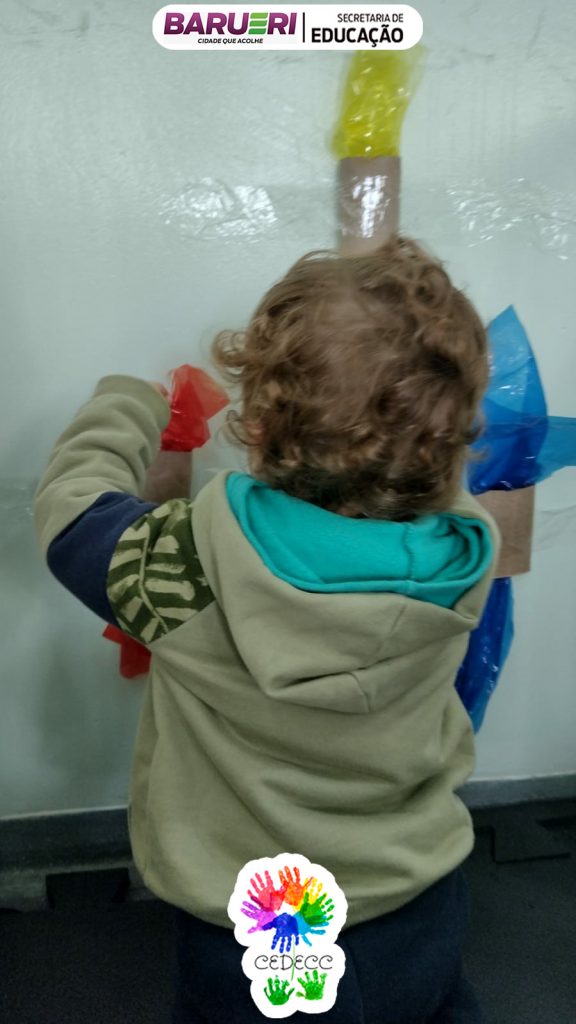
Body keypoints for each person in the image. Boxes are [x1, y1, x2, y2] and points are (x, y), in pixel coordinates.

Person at [33, 234, 499, 1023]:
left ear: (254, 428)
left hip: (262, 922)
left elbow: (72, 511)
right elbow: (425, 471)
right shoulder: (464, 554)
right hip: (417, 896)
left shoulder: (184, 564)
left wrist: (130, 402)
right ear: (445, 443)